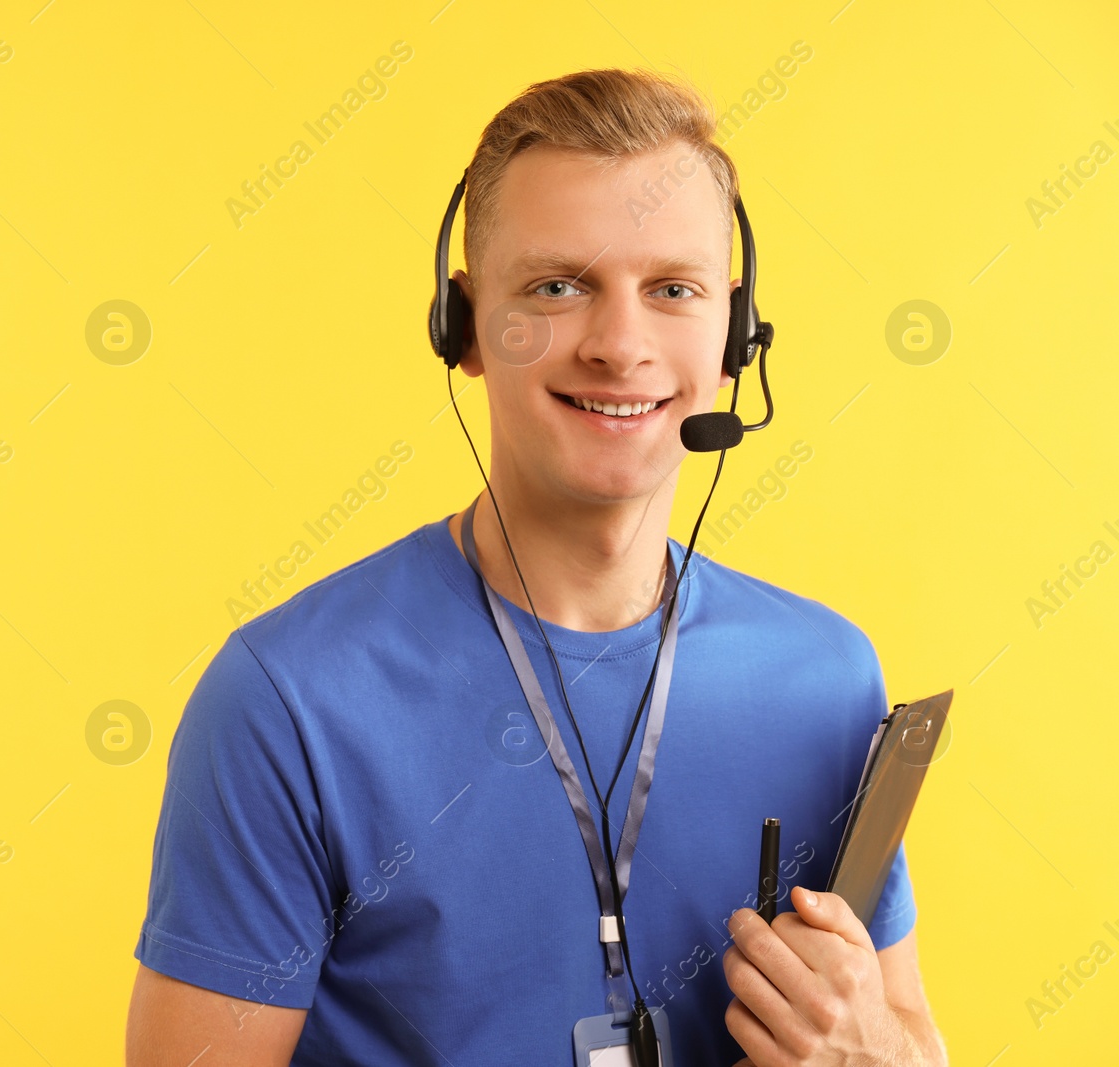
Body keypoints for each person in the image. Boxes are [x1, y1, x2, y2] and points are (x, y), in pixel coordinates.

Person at [126, 68, 946, 1066]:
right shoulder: (286, 700)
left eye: (672, 290)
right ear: (464, 325)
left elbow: (903, 1037)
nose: (619, 344)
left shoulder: (827, 680)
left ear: (734, 333)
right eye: (558, 286)